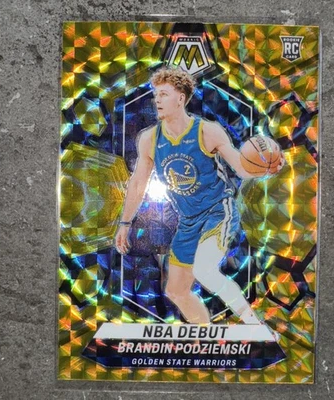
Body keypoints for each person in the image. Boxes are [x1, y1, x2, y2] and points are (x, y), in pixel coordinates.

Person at [115, 67, 284, 339]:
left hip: (218, 210)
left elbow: (241, 167)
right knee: (176, 291)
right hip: (188, 220)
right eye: (156, 94)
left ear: (180, 99)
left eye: (164, 94)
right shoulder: (150, 139)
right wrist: (125, 223)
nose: (157, 100)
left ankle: (257, 328)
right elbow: (137, 184)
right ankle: (204, 336)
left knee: (204, 270)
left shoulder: (208, 131)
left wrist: (265, 167)